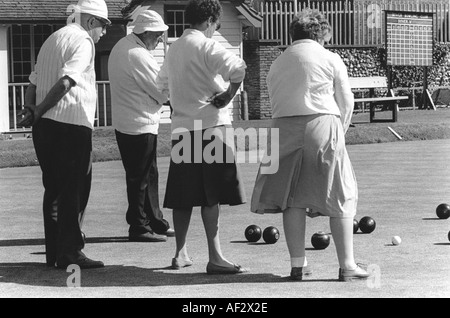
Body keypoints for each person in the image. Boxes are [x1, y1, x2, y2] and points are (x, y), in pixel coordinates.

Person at [250, 9, 370, 282]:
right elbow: (346, 101)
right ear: (321, 34)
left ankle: (297, 265)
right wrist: (340, 131)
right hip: (321, 124)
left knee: (290, 199)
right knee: (342, 193)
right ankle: (348, 265)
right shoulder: (330, 58)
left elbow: (275, 100)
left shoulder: (278, 62)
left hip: (281, 129)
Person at [17, 0, 111, 269]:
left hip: (44, 127)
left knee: (54, 190)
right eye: (103, 25)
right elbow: (67, 80)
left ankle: (56, 252)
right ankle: (70, 251)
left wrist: (32, 110)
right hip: (70, 124)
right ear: (91, 21)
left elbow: (33, 81)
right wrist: (40, 109)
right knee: (74, 190)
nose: (103, 32)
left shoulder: (52, 39)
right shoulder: (83, 41)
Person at [156, 0, 248, 274]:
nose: (214, 30)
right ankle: (215, 256)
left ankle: (180, 252)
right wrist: (228, 94)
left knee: (183, 195)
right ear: (209, 20)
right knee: (211, 196)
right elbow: (238, 69)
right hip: (211, 127)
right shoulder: (208, 45)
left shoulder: (173, 49)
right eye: (215, 25)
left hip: (182, 128)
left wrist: (178, 103)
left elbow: (160, 86)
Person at [108, 10, 175, 242]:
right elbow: (160, 90)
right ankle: (138, 227)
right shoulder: (138, 54)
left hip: (131, 122)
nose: (159, 40)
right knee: (140, 177)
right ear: (145, 32)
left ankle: (155, 221)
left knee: (148, 174)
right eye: (157, 35)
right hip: (138, 123)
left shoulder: (123, 46)